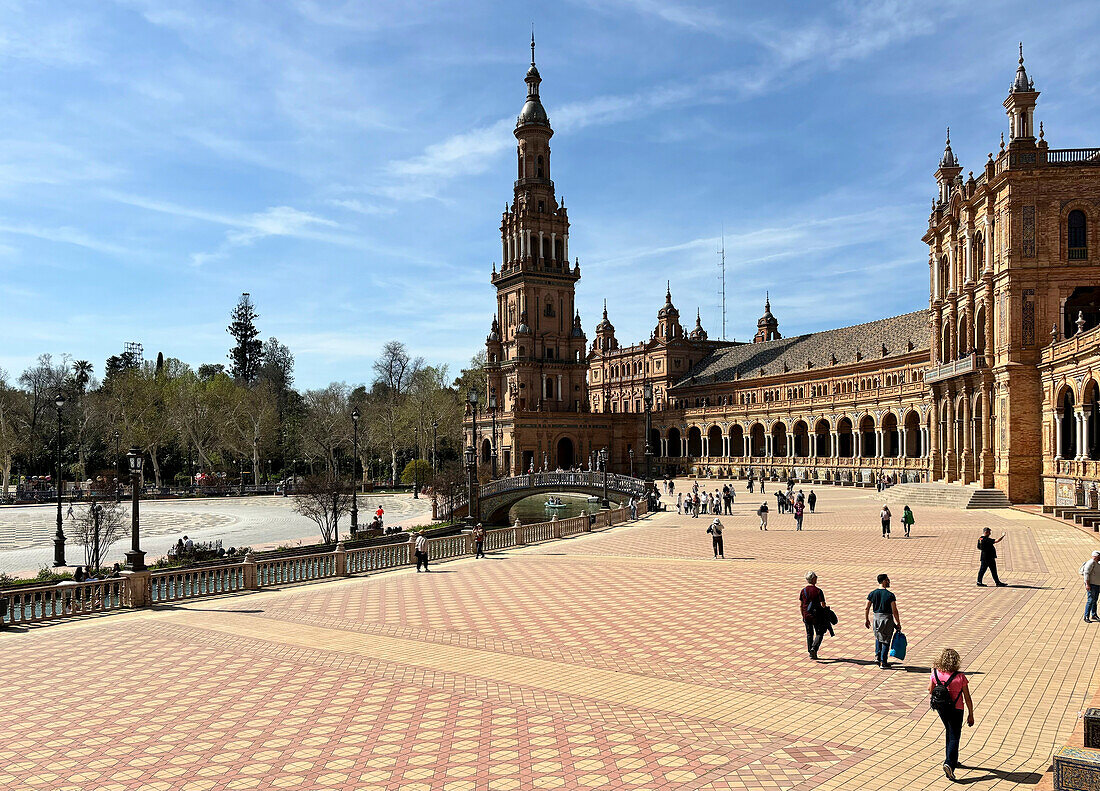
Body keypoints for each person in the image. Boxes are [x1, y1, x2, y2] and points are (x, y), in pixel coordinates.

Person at [928, 648, 975, 781]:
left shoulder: (935, 672)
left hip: (941, 708)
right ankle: (949, 764)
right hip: (957, 709)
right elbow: (967, 697)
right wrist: (971, 714)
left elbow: (930, 690)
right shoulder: (960, 677)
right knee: (955, 736)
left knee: (949, 731)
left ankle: (952, 759)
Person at [865, 573, 901, 668]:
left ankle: (877, 656)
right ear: (884, 581)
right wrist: (898, 623)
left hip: (876, 618)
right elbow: (894, 610)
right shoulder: (890, 595)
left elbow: (867, 607)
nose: (889, 581)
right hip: (887, 619)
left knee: (878, 636)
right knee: (886, 640)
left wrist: (867, 619)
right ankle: (883, 662)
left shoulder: (872, 594)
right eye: (888, 580)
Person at [799, 572, 828, 659]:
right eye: (816, 577)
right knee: (820, 632)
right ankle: (814, 648)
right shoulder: (818, 591)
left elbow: (801, 604)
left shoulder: (803, 591)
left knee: (809, 633)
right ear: (813, 579)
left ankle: (810, 652)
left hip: (806, 615)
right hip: (817, 615)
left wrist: (803, 615)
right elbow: (823, 604)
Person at [1082, 550, 1100, 622]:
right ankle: (1086, 616)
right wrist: (1087, 584)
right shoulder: (1091, 563)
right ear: (1096, 557)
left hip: (1097, 585)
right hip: (1091, 585)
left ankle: (1094, 614)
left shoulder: (1098, 563)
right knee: (1090, 600)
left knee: (1095, 600)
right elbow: (1086, 574)